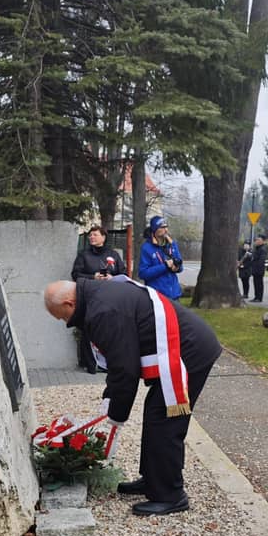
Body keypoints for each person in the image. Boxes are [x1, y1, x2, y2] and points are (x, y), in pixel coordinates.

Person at [43, 278, 222, 515]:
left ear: (69, 303)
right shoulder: (97, 297)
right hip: (182, 347)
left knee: (164, 421)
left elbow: (125, 368)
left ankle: (170, 496)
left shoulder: (102, 311)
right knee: (155, 415)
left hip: (189, 351)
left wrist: (116, 414)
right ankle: (154, 480)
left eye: (62, 317)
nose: (66, 322)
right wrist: (110, 398)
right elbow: (120, 360)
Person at [71, 225, 127, 373]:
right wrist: (93, 277)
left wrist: (112, 277)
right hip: (90, 296)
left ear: (103, 237)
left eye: (95, 234)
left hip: (110, 297)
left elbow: (123, 274)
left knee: (110, 329)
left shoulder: (113, 254)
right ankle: (90, 363)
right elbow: (76, 274)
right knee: (89, 329)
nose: (91, 237)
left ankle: (110, 362)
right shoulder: (84, 255)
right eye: (90, 235)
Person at [139, 216, 183, 299]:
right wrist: (165, 266)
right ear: (155, 229)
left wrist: (177, 267)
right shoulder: (147, 248)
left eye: (166, 227)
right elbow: (143, 273)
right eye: (162, 227)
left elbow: (180, 266)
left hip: (174, 295)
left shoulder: (171, 244)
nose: (165, 230)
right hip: (157, 296)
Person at [250, 234, 267, 302]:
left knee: (259, 284)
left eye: (258, 240)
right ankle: (256, 296)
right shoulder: (256, 248)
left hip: (259, 269)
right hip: (255, 269)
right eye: (256, 240)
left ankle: (259, 297)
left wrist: (257, 268)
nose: (256, 241)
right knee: (256, 284)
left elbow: (261, 260)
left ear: (262, 241)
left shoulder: (263, 249)